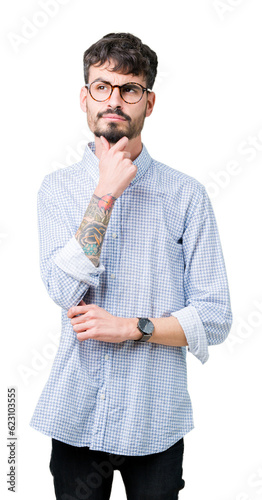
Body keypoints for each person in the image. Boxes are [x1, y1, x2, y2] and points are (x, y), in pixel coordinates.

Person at [30, 32, 233, 500]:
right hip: (76, 413)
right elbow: (63, 292)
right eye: (102, 87)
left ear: (150, 101)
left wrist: (130, 327)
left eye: (130, 88)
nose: (114, 100)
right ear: (85, 96)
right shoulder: (56, 190)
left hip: (155, 418)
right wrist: (105, 194)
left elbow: (215, 315)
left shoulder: (186, 196)